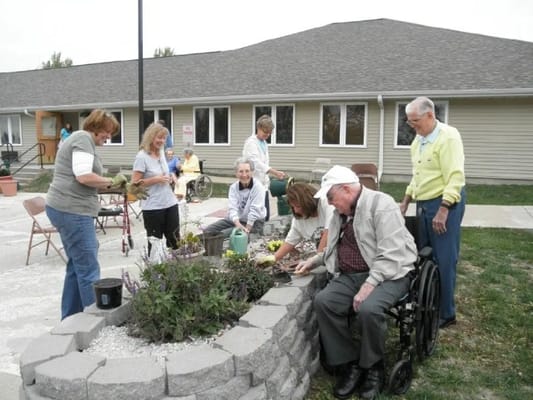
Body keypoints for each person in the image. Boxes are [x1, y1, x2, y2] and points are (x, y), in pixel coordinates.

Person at [295, 165, 417, 400]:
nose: (330, 203)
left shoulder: (382, 206)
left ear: (346, 190)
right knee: (324, 302)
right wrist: (315, 260)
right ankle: (350, 362)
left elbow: (390, 255)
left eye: (331, 197)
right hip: (353, 275)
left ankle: (373, 367)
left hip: (391, 274)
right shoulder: (340, 212)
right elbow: (337, 246)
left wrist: (369, 286)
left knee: (369, 309)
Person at [46, 110, 125, 320]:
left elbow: (85, 179)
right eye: (108, 131)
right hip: (72, 210)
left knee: (76, 266)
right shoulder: (82, 138)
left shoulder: (84, 141)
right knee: (89, 268)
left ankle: (70, 319)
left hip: (66, 208)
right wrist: (111, 181)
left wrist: (117, 186)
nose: (109, 136)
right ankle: (93, 324)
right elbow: (83, 176)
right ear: (97, 127)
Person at [399, 96, 466, 329]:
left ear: (430, 115)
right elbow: (418, 174)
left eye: (415, 120)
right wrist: (406, 199)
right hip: (423, 202)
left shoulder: (448, 137)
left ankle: (447, 313)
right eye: (409, 122)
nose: (412, 126)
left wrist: (444, 208)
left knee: (445, 257)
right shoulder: (418, 141)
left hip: (444, 203)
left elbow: (455, 176)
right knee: (424, 253)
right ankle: (430, 298)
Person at [133, 122, 180, 255]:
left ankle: (177, 269)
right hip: (153, 206)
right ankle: (155, 272)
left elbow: (164, 173)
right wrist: (155, 180)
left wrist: (170, 177)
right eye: (159, 137)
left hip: (170, 203)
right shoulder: (141, 156)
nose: (162, 141)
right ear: (150, 137)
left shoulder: (161, 153)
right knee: (155, 242)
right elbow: (134, 184)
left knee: (175, 239)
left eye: (164, 138)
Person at [263, 182, 333, 264]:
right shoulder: (299, 220)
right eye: (293, 207)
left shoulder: (326, 203)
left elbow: (328, 232)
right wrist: (274, 258)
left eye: (298, 206)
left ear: (308, 202)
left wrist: (314, 261)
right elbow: (290, 241)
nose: (296, 210)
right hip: (324, 257)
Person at [204, 158, 266, 237]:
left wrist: (246, 231)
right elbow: (232, 208)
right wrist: (237, 224)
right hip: (237, 220)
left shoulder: (258, 187)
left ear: (252, 172)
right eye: (241, 171)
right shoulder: (234, 188)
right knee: (208, 231)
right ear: (236, 173)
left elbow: (255, 210)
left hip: (254, 222)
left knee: (222, 235)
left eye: (247, 171)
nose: (244, 175)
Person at [242, 114, 285, 221]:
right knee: (254, 217)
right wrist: (274, 171)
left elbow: (264, 162)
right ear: (258, 128)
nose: (267, 135)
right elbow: (256, 163)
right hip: (252, 185)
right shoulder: (251, 143)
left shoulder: (264, 143)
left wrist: (268, 179)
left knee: (265, 216)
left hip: (262, 186)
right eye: (265, 132)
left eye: (269, 133)